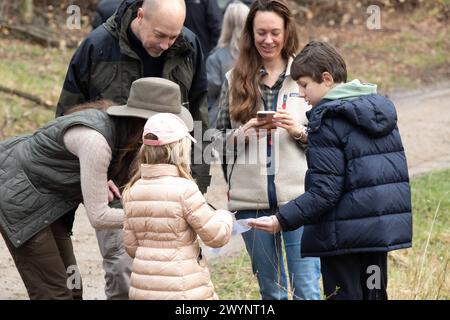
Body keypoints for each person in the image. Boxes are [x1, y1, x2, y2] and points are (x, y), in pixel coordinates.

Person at [57, 0, 211, 299]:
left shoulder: (189, 44)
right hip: (117, 182)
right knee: (123, 268)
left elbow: (201, 114)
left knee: (173, 269)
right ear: (140, 15)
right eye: (160, 35)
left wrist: (199, 183)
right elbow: (68, 119)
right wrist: (93, 176)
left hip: (174, 178)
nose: (167, 45)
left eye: (173, 36)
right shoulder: (97, 46)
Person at [0, 77, 194, 300]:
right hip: (18, 195)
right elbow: (99, 216)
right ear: (143, 122)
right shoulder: (96, 141)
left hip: (49, 201)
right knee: (53, 293)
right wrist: (156, 214)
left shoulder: (124, 136)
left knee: (73, 288)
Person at [250, 41, 413, 300]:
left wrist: (281, 220)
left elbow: (325, 191)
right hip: (377, 231)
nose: (301, 94)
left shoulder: (327, 119)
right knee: (374, 294)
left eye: (304, 85)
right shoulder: (376, 111)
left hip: (343, 237)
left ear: (326, 79)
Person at [214, 0, 321, 300]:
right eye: (261, 32)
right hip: (252, 204)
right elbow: (215, 143)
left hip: (301, 202)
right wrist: (242, 133)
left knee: (308, 291)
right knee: (271, 293)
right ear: (250, 33)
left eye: (275, 32)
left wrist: (298, 131)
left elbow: (329, 140)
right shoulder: (234, 79)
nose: (268, 40)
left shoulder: (307, 75)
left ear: (287, 32)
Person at [122, 113, 233, 300]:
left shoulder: (133, 191)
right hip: (184, 290)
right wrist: (224, 216)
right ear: (180, 150)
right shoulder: (185, 189)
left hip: (143, 289)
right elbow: (215, 237)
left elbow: (131, 247)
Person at [206, 0, 249, 127]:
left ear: (226, 24)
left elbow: (209, 92)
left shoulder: (216, 58)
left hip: (220, 122)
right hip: (250, 120)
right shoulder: (257, 55)